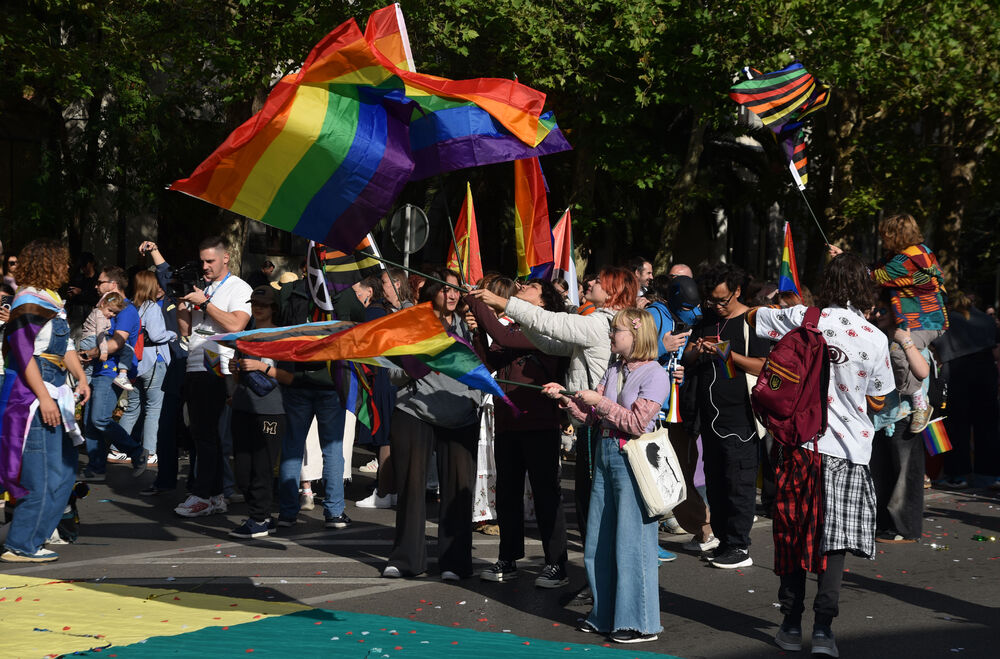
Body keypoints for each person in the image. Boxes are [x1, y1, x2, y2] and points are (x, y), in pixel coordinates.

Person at [751, 252, 893, 658]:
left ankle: (790, 624)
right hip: (848, 450)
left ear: (827, 283)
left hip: (800, 444)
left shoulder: (803, 317)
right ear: (865, 288)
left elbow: (755, 318)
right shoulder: (874, 337)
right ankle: (824, 631)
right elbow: (879, 397)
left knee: (793, 533)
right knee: (835, 542)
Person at [470, 267, 637, 548]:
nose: (590, 282)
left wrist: (495, 302)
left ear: (613, 291)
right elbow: (547, 341)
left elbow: (546, 323)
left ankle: (588, 567)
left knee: (592, 502)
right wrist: (504, 316)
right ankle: (589, 568)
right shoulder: (598, 322)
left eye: (598, 281)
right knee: (590, 500)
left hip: (593, 421)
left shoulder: (598, 323)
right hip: (585, 419)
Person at [543, 308, 669, 643]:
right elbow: (593, 417)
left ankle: (638, 622)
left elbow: (636, 423)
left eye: (616, 330)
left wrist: (600, 402)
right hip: (605, 454)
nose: (611, 335)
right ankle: (605, 614)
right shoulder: (614, 368)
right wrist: (566, 397)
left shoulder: (655, 373)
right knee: (599, 539)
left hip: (632, 460)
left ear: (636, 335)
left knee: (633, 542)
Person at [467, 278, 570, 588]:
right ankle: (508, 557)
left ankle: (556, 563)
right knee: (508, 493)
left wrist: (477, 303)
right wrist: (478, 331)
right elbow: (489, 362)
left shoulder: (549, 326)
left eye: (531, 286)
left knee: (546, 494)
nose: (522, 286)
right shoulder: (513, 327)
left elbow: (502, 336)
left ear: (543, 300)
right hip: (508, 422)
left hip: (540, 423)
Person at [382, 269, 482, 580]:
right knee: (411, 488)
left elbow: (486, 368)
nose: (452, 295)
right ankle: (407, 560)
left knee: (457, 493)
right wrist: (415, 365)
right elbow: (392, 373)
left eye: (456, 290)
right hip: (414, 411)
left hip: (460, 415)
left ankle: (455, 562)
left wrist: (473, 399)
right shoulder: (413, 323)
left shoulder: (470, 326)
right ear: (432, 292)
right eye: (444, 289)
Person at [0, 240, 90, 562]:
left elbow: (65, 347)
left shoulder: (50, 298)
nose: (67, 267)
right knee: (41, 474)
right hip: (33, 395)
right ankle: (21, 544)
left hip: (54, 387)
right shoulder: (28, 299)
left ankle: (33, 539)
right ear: (49, 263)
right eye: (62, 262)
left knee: (64, 471)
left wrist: (81, 377)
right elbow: (23, 354)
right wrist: (43, 397)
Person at [152, 236, 252, 516]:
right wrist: (182, 300)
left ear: (226, 258)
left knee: (206, 434)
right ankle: (216, 495)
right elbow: (186, 330)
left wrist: (205, 303)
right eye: (202, 261)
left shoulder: (238, 287)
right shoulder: (203, 287)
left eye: (210, 261)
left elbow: (237, 324)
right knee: (204, 434)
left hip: (218, 367)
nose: (205, 266)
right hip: (195, 364)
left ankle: (203, 495)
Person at [685, 262, 769, 569]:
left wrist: (728, 355)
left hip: (741, 415)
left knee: (739, 481)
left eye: (723, 300)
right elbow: (687, 356)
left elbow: (765, 365)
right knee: (716, 481)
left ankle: (739, 545)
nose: (718, 306)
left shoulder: (753, 320)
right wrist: (697, 350)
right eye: (712, 300)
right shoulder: (706, 319)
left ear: (737, 291)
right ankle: (723, 541)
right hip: (709, 415)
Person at [830, 213, 948, 432]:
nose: (882, 239)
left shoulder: (909, 260)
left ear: (896, 235)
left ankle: (919, 402)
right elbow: (871, 268)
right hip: (913, 319)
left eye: (886, 235)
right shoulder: (904, 255)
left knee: (897, 349)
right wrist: (844, 256)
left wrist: (846, 263)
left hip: (925, 321)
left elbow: (875, 276)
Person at [79, 266, 149, 481]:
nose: (96, 286)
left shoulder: (126, 310)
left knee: (100, 418)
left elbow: (117, 342)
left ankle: (137, 452)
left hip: (113, 370)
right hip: (99, 368)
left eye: (100, 282)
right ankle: (96, 468)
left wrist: (89, 353)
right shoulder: (106, 306)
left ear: (113, 285)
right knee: (90, 421)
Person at [227, 286, 285, 538]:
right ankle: (262, 515)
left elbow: (290, 377)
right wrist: (235, 370)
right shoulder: (245, 337)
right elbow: (239, 378)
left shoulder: (282, 337)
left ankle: (259, 518)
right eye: (254, 304)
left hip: (271, 411)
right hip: (242, 407)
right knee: (242, 471)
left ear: (274, 308)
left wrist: (261, 367)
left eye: (263, 304)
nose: (257, 308)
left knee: (262, 468)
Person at [932, 291, 1000, 489]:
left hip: (957, 372)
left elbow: (936, 350)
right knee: (987, 426)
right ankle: (989, 475)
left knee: (956, 426)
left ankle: (957, 475)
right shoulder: (986, 319)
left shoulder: (946, 320)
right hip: (985, 371)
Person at [118, 271, 176, 462]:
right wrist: (173, 334)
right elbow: (157, 335)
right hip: (154, 361)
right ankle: (149, 452)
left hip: (135, 363)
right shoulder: (151, 307)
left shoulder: (130, 306)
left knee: (133, 407)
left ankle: (116, 448)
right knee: (154, 409)